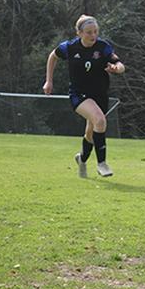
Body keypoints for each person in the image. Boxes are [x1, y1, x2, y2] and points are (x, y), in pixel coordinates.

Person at [43, 15, 125, 178]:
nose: (93, 35)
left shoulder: (103, 47)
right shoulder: (70, 47)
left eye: (95, 31)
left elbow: (120, 64)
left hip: (100, 95)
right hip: (78, 95)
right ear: (79, 33)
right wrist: (48, 81)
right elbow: (53, 56)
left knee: (91, 133)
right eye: (88, 32)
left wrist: (117, 68)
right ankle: (102, 164)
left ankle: (81, 159)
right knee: (100, 121)